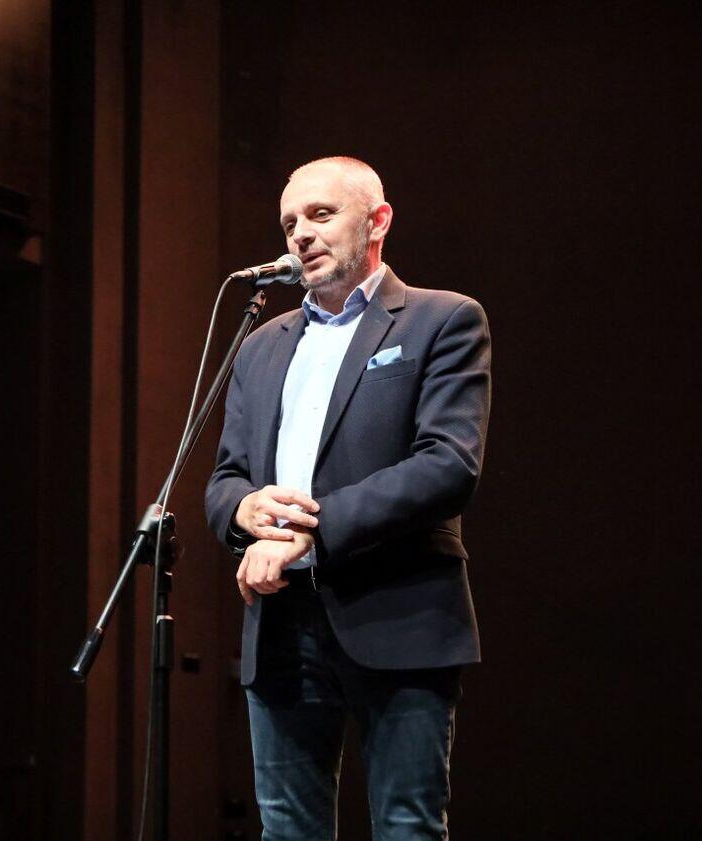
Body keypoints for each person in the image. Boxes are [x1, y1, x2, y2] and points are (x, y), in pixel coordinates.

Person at [204, 157, 491, 840]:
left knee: (406, 827)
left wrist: (315, 526)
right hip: (281, 622)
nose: (300, 233)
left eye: (321, 214)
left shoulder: (442, 319)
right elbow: (225, 478)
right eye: (289, 223)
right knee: (287, 831)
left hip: (398, 609)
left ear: (377, 221)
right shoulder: (260, 345)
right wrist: (243, 514)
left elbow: (449, 464)